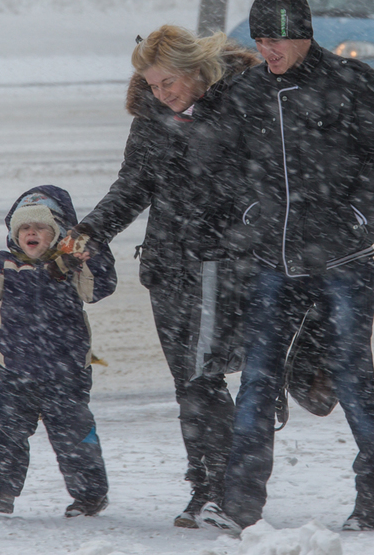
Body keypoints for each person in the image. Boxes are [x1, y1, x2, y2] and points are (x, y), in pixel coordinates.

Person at [214, 0, 374, 532]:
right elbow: (227, 170)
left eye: (276, 40)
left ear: (303, 35)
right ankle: (239, 503)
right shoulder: (248, 92)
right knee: (257, 379)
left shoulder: (349, 83)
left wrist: (355, 214)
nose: (268, 51)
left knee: (353, 378)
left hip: (343, 264)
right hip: (271, 263)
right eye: (260, 40)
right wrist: (250, 213)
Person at [65, 26, 259, 529]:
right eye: (152, 85)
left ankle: (220, 486)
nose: (161, 93)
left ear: (195, 69)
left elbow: (265, 181)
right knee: (188, 381)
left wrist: (241, 232)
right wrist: (91, 230)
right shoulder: (154, 117)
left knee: (203, 374)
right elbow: (134, 184)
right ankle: (209, 482)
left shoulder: (240, 105)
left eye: (167, 82)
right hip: (167, 264)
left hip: (222, 261)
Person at [0, 185, 117, 518]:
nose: (31, 233)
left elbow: (96, 288)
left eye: (40, 227)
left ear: (56, 233)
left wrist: (88, 256)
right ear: (15, 235)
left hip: (66, 371)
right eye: (24, 228)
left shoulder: (69, 264)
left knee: (73, 434)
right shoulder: (7, 265)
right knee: (5, 430)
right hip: (14, 369)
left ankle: (90, 496)